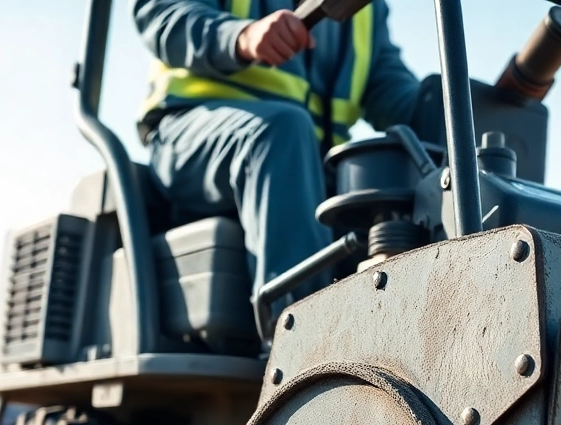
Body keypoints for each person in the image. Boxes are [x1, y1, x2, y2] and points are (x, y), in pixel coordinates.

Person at [133, 0, 421, 315]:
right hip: (191, 137)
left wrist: (464, 108)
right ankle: (299, 339)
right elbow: (162, 13)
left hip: (307, 163)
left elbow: (391, 90)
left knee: (396, 176)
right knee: (285, 132)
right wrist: (239, 36)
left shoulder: (367, 9)